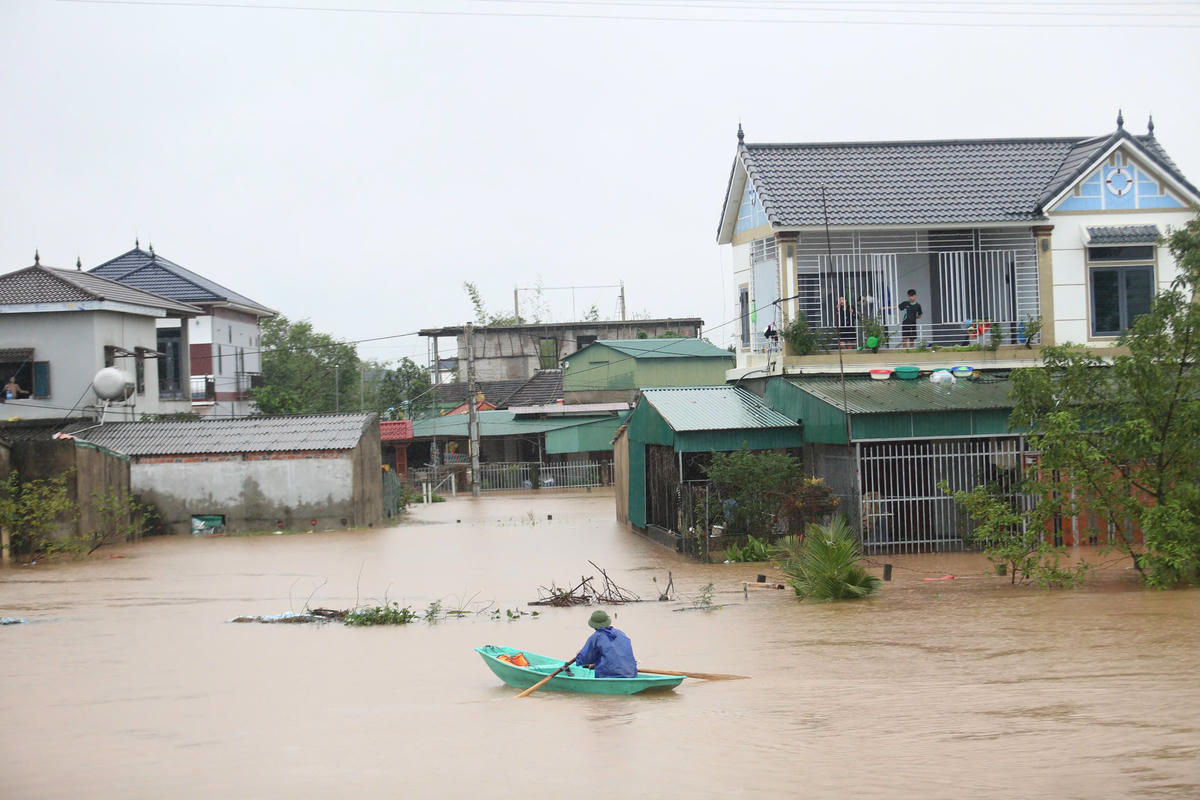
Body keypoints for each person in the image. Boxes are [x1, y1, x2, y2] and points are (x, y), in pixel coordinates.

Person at [574, 609, 637, 678]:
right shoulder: (620, 633)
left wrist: (579, 656)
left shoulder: (596, 637)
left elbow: (586, 658)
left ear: (593, 625)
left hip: (609, 675)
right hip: (631, 673)